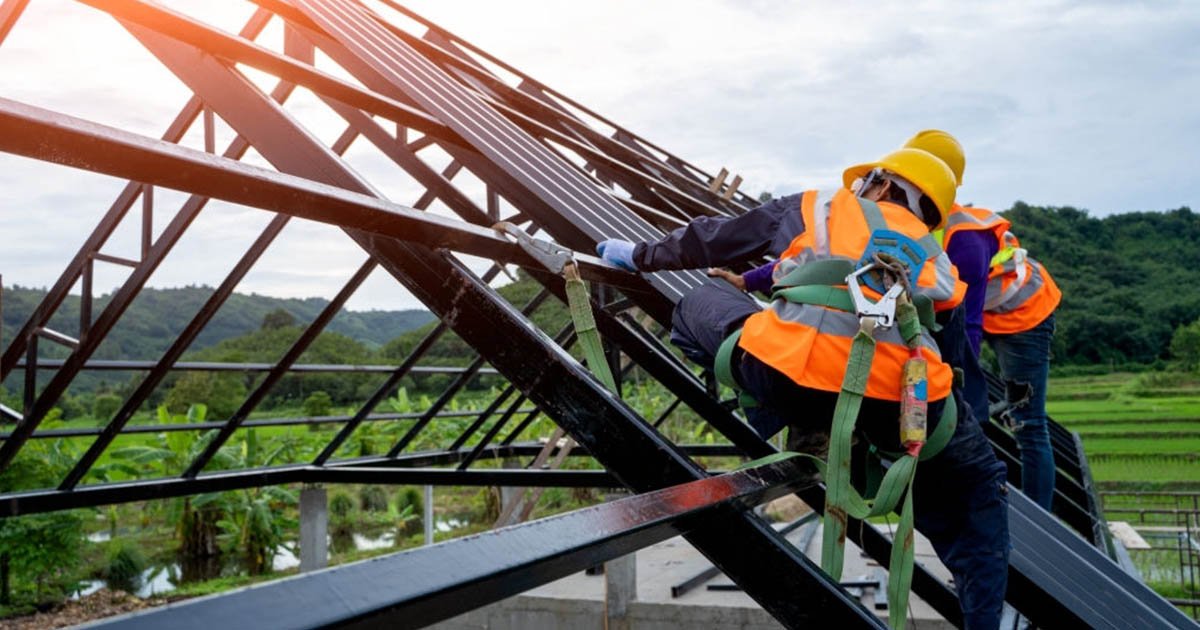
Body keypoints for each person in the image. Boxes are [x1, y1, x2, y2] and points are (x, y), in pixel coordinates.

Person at [598, 148, 1009, 629]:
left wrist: (641, 255)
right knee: (977, 487)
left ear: (879, 182)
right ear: (929, 213)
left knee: (701, 303)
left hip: (788, 376)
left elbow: (717, 238)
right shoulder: (937, 258)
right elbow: (953, 354)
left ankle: (801, 423)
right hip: (898, 402)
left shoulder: (819, 206)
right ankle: (984, 623)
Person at [904, 130, 1062, 512]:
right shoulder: (921, 223)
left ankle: (1039, 517)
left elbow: (966, 323)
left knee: (1028, 423)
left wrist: (956, 387)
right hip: (991, 310)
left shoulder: (966, 236)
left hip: (1023, 315)